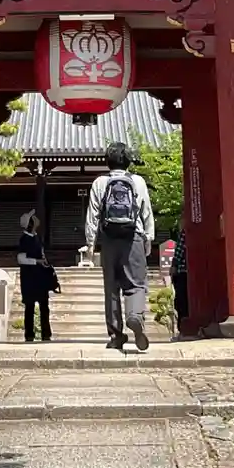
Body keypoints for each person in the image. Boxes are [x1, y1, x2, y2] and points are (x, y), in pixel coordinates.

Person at [85, 141, 155, 351]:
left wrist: (90, 244)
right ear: (128, 161)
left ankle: (116, 335)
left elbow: (92, 215)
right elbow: (146, 212)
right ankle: (135, 315)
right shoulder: (138, 181)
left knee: (111, 288)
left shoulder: (99, 182)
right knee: (136, 283)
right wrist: (149, 238)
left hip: (109, 240)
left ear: (107, 161)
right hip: (133, 237)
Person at [15, 210, 52, 343]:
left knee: (44, 306)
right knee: (30, 307)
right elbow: (20, 258)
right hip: (29, 278)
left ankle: (46, 334)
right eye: (33, 218)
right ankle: (29, 335)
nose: (36, 219)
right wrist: (36, 261)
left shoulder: (37, 237)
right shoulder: (24, 239)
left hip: (40, 277)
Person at [169, 221, 189, 332]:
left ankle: (183, 327)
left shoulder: (185, 232)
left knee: (181, 302)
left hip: (182, 271)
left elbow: (179, 252)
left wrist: (174, 266)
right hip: (189, 271)